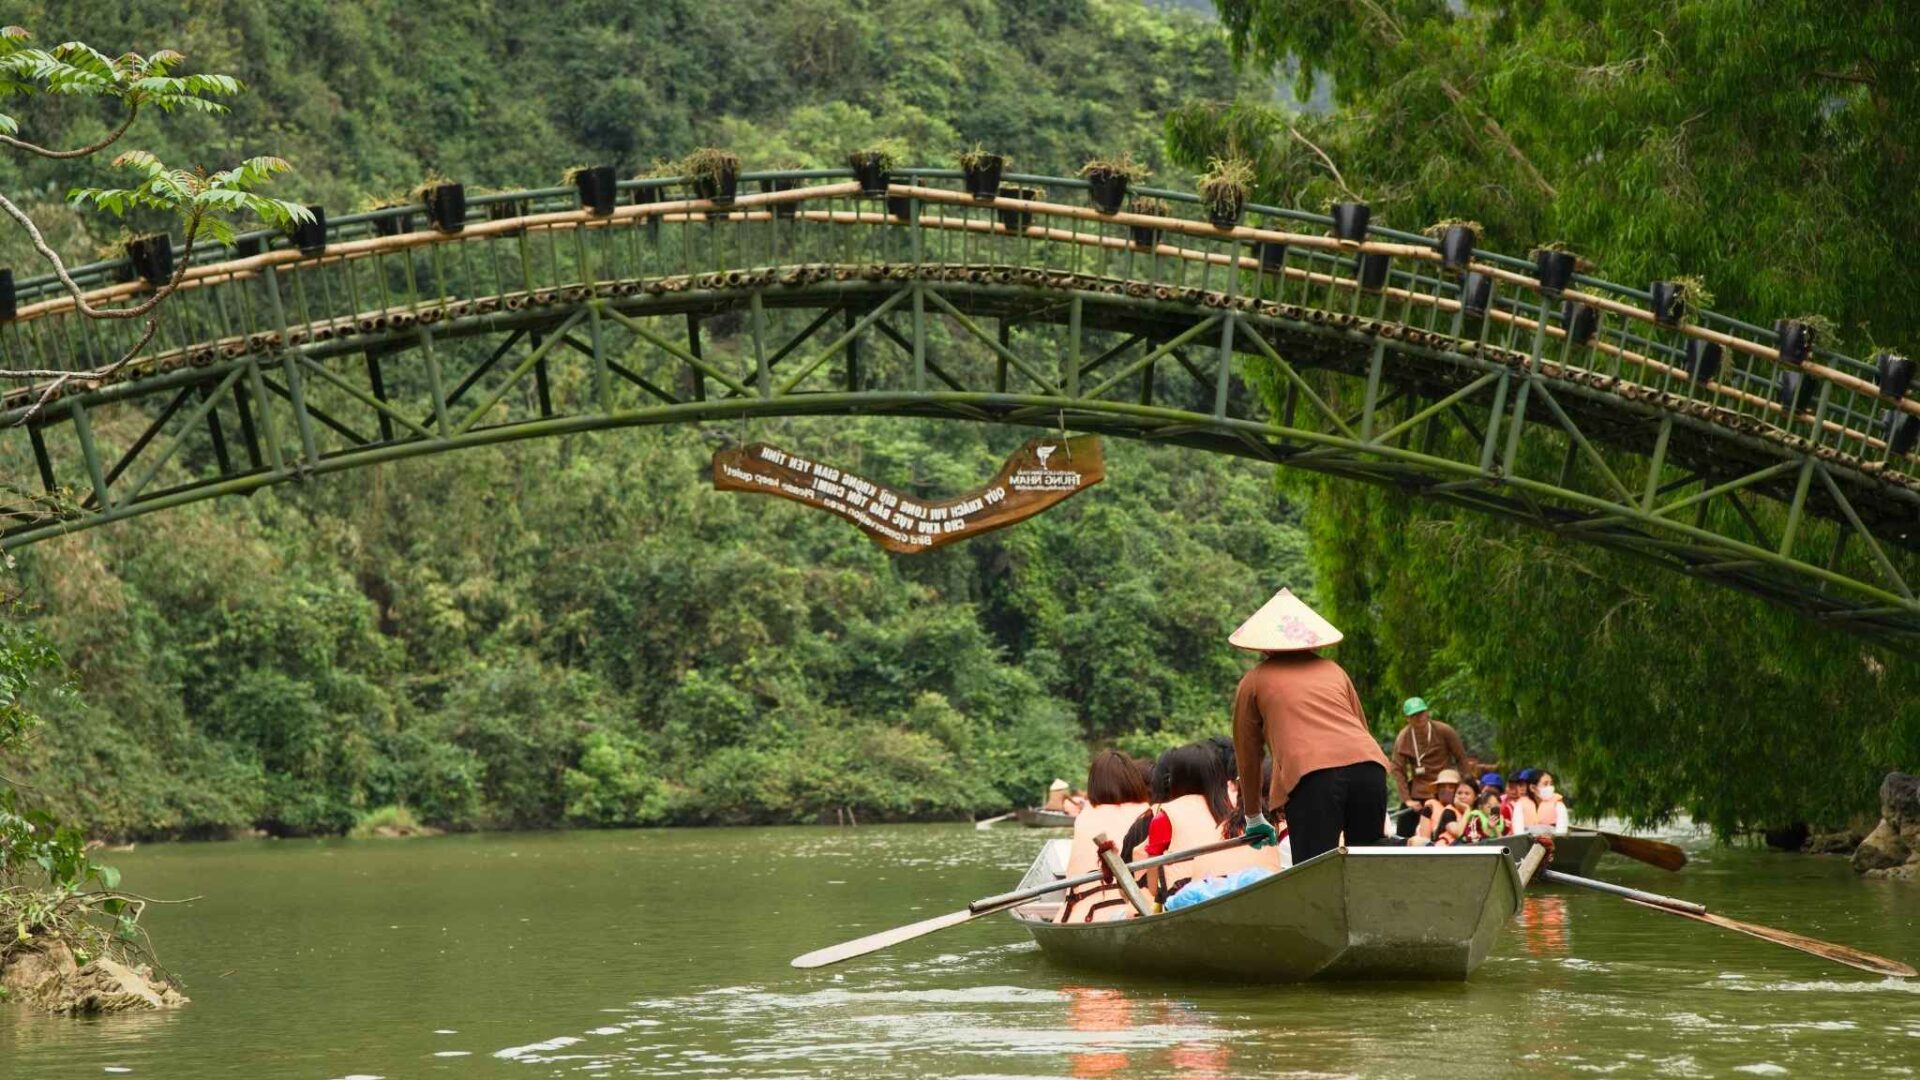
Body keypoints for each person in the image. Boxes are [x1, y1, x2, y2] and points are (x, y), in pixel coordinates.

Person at [1228, 588, 1395, 864]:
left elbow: (1248, 754)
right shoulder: (1334, 670)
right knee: (1367, 866)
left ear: (1264, 644)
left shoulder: (1254, 681)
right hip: (1369, 768)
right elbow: (1361, 728)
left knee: (1315, 869)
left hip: (1313, 778)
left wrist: (1254, 815)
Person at [1124, 743, 1282, 902]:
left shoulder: (1164, 816)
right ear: (1217, 777)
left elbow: (1152, 881)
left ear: (1176, 779)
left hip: (1186, 896)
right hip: (1236, 887)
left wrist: (1154, 895)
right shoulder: (1231, 811)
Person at [1390, 696, 1471, 814]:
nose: (1420, 717)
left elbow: (1461, 758)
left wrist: (1465, 786)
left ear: (1427, 712)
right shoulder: (1403, 738)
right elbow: (1397, 768)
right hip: (1419, 792)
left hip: (1446, 787)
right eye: (1415, 715)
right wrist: (1407, 799)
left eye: (1422, 712)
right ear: (1407, 718)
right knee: (1405, 824)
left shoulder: (1444, 730)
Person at [1504, 769, 1539, 833]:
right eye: (1520, 785)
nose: (1522, 789)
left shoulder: (1542, 803)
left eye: (1526, 785)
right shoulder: (1518, 805)